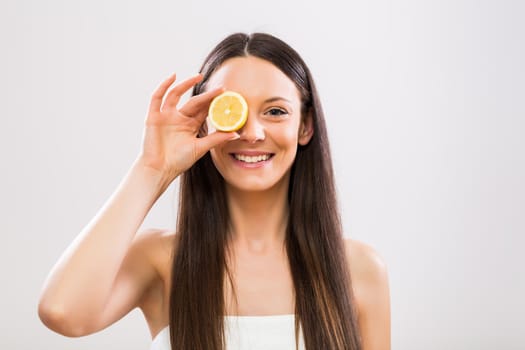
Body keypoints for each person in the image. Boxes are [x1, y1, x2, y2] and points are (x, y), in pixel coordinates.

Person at [38, 32, 390, 350]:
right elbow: (62, 311)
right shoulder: (160, 259)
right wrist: (151, 169)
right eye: (233, 111)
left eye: (275, 111)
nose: (251, 133)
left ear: (306, 126)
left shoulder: (358, 269)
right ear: (206, 121)